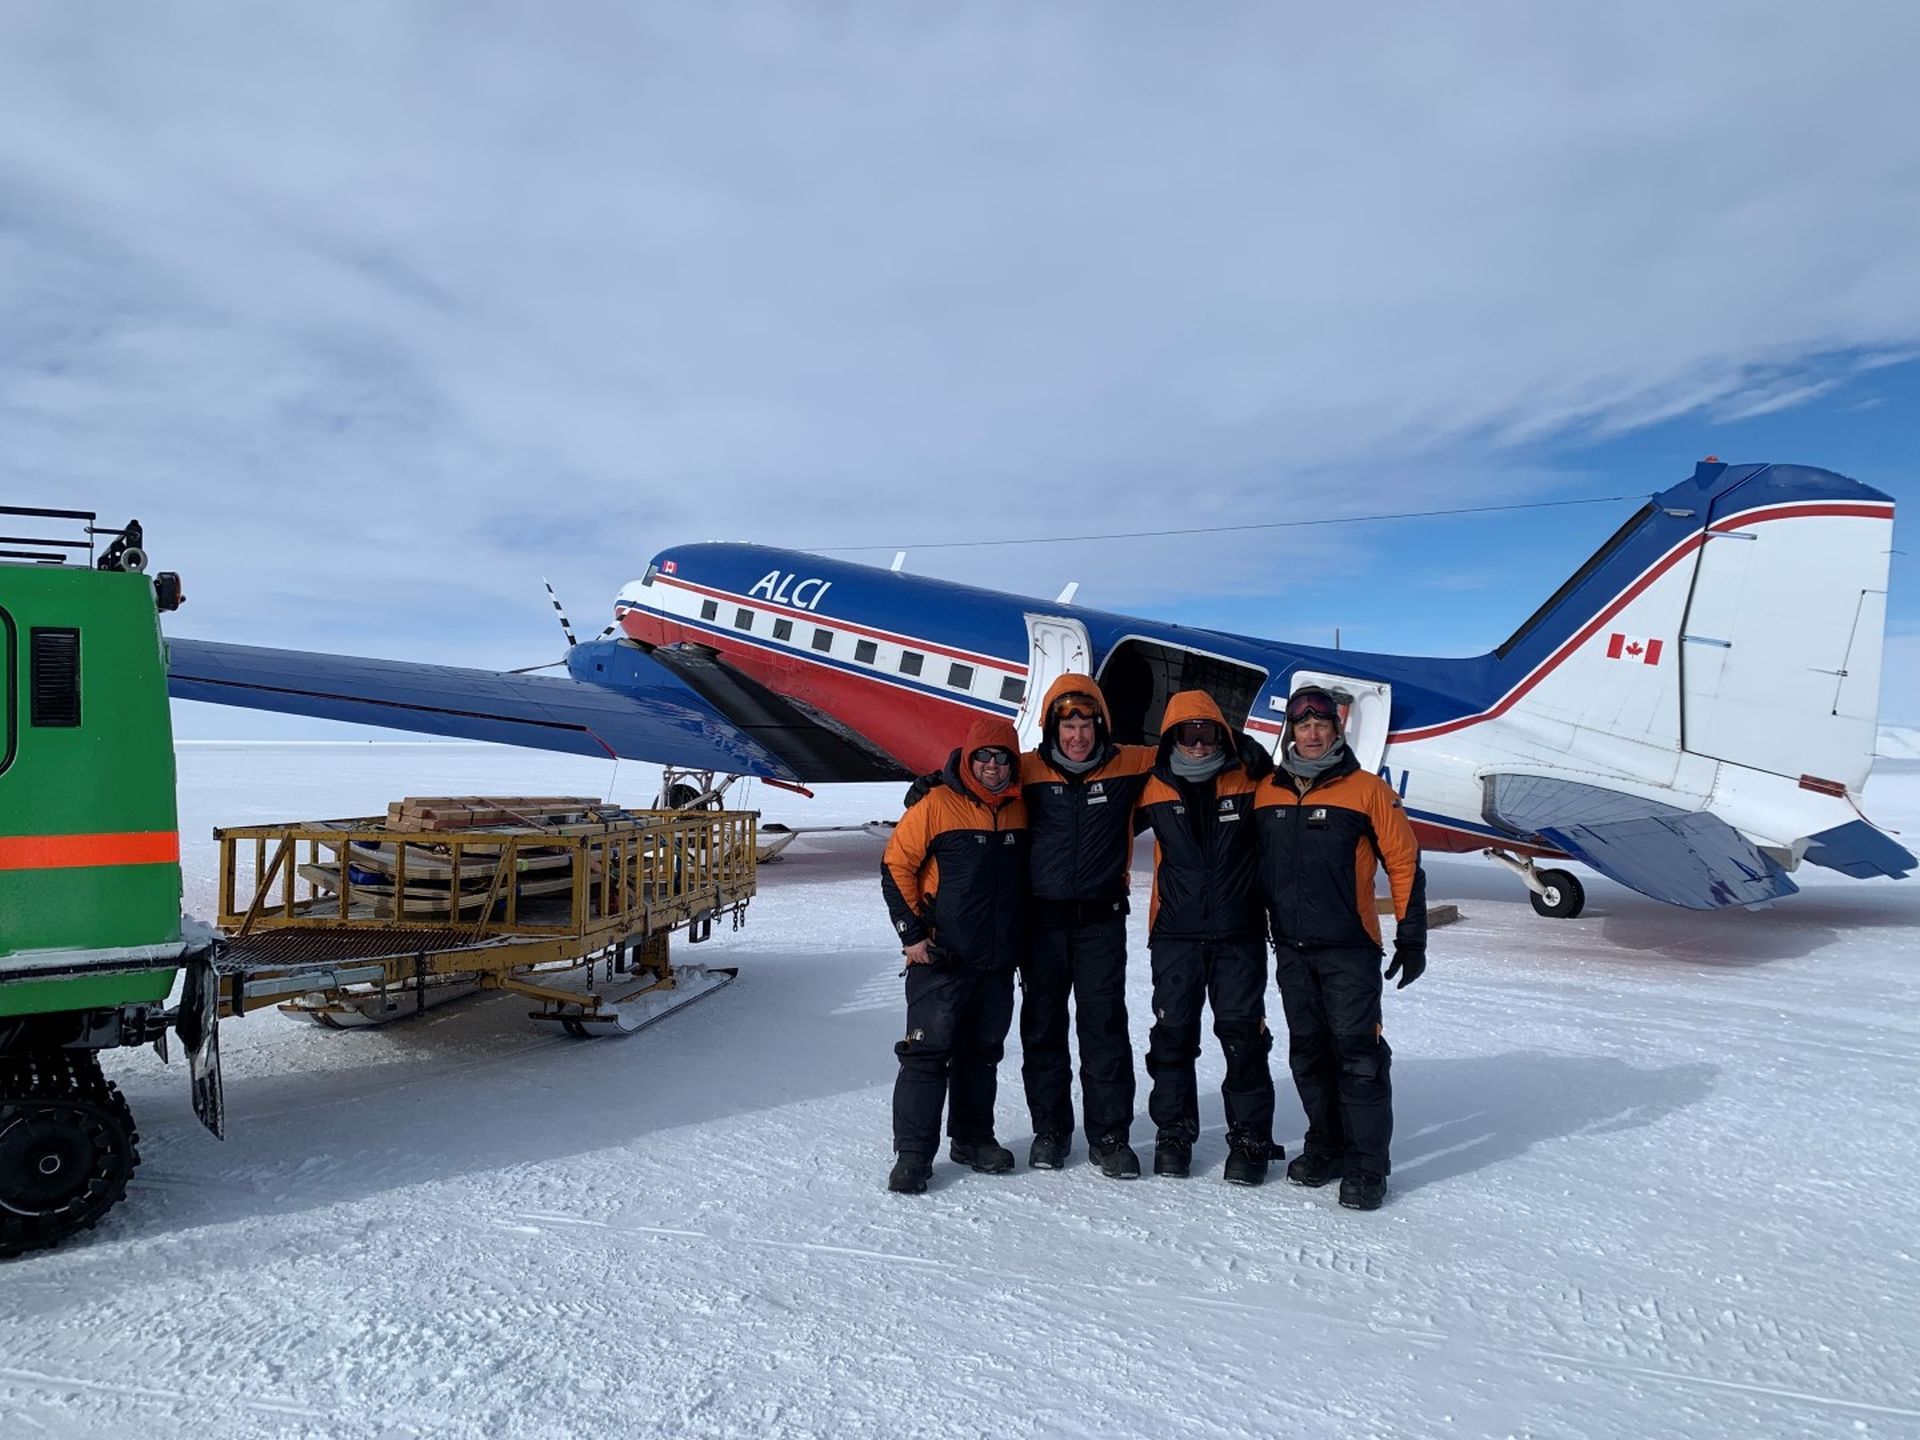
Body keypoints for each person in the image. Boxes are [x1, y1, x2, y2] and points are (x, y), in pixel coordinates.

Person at [1253, 685, 1425, 1210]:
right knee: (1309, 1053)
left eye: (1321, 723)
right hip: (1291, 948)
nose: (1311, 732)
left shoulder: (1366, 790)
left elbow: (1404, 862)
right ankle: (1324, 1145)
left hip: (1349, 947)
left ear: (1336, 729)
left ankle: (1368, 1164)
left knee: (1358, 1057)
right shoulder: (1268, 792)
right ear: (1291, 731)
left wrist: (1411, 935)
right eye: (1302, 724)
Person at [1015, 674, 1159, 1178]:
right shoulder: (1025, 769)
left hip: (1101, 924)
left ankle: (1110, 1136)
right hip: (1041, 926)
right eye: (1067, 723)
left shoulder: (1130, 764)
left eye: (1086, 722)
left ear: (1101, 723)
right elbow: (976, 777)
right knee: (1044, 1030)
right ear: (1052, 725)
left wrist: (1241, 749)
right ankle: (1051, 1131)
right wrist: (940, 776)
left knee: (1104, 1031)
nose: (1077, 735)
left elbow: (1194, 750)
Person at [1132, 690, 1277, 1184]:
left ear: (1223, 734)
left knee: (1243, 1039)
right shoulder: (1150, 786)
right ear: (1172, 737)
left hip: (1239, 934)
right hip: (1175, 934)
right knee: (1172, 1038)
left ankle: (1250, 1138)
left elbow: (1310, 790)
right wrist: (940, 783)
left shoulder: (1251, 779)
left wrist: (1266, 759)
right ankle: (1174, 1131)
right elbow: (1091, 788)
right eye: (1187, 734)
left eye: (1208, 732)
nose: (1197, 743)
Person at [880, 716, 1029, 1194]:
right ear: (968, 759)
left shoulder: (1022, 809)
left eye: (1001, 757)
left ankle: (973, 1138)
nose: (991, 765)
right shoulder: (937, 804)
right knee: (926, 1054)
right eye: (982, 756)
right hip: (941, 956)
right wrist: (912, 935)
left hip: (996, 959)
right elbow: (895, 865)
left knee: (982, 1054)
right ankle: (913, 1155)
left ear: (1012, 761)